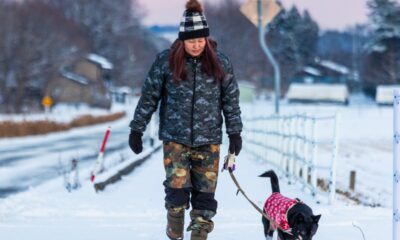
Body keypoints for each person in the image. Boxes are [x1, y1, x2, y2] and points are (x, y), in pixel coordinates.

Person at [128, 0, 242, 239]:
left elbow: (230, 100)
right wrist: (137, 129)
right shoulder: (166, 61)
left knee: (204, 200)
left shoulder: (221, 62)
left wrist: (234, 133)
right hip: (175, 138)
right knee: (177, 194)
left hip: (209, 139)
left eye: (201, 40)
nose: (197, 45)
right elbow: (150, 96)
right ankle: (175, 232)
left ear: (207, 39)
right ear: (182, 40)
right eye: (192, 41)